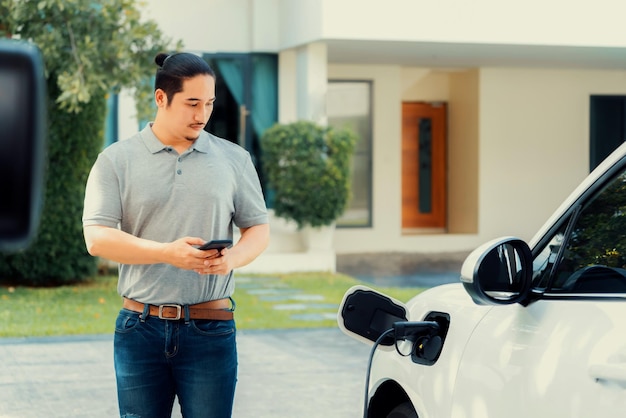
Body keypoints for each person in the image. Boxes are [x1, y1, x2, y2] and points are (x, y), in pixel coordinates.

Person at [82, 52, 270, 418]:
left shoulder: (234, 159)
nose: (202, 114)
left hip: (211, 329)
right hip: (139, 330)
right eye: (192, 103)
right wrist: (167, 253)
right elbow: (97, 238)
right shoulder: (115, 160)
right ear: (161, 98)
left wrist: (232, 258)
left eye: (210, 103)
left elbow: (258, 229)